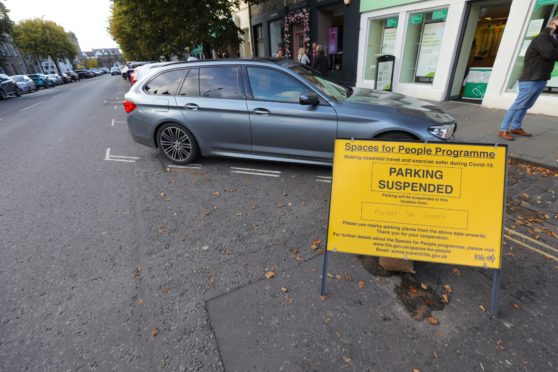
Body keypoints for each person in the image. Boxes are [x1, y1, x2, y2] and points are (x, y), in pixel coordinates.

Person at [498, 16, 558, 140]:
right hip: (530, 79)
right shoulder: (542, 38)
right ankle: (503, 129)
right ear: (553, 24)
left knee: (526, 105)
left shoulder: (553, 39)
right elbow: (549, 54)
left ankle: (515, 127)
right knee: (518, 105)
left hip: (541, 78)